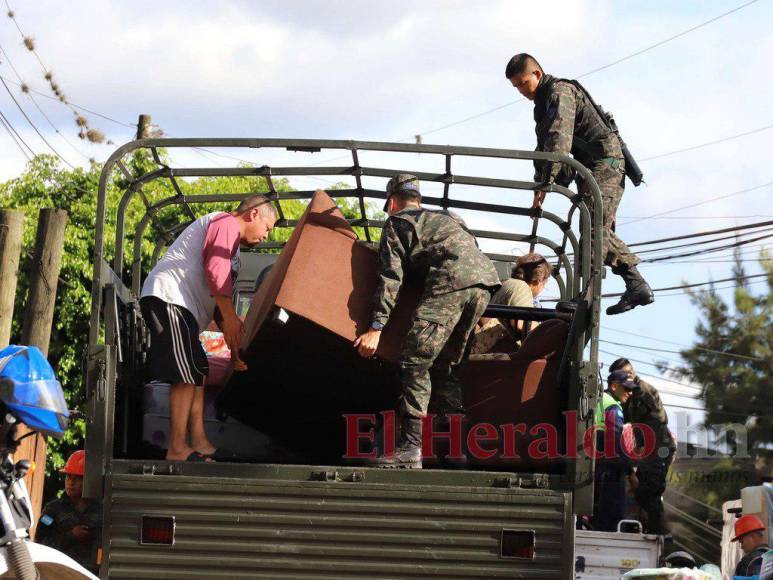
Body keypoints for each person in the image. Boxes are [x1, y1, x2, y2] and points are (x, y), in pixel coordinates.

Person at [354, 174, 501, 468]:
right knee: (446, 368)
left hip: (452, 281)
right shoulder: (445, 220)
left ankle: (410, 449)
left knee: (415, 360)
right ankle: (457, 450)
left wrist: (376, 328)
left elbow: (390, 278)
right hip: (486, 282)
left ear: (393, 202)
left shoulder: (398, 222)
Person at [504, 53, 653, 315]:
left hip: (605, 165)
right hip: (593, 167)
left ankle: (594, 295)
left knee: (594, 230)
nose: (520, 91)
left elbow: (558, 141)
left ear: (537, 74)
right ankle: (632, 285)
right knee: (594, 229)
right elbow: (545, 146)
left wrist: (546, 183)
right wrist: (541, 185)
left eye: (522, 83)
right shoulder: (543, 101)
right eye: (515, 86)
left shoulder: (560, 92)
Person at [140, 195, 277, 461]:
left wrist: (234, 343)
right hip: (169, 297)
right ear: (253, 214)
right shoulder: (225, 222)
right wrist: (230, 316)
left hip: (186, 308)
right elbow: (215, 270)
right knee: (188, 371)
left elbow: (219, 303)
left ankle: (200, 441)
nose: (266, 236)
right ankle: (177, 448)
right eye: (268, 227)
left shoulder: (234, 249)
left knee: (199, 369)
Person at [612, 357, 676, 535]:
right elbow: (626, 417)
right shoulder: (630, 392)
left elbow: (660, 420)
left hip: (658, 449)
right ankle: (653, 529)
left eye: (625, 374)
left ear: (631, 373)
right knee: (639, 489)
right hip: (650, 451)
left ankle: (660, 534)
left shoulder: (643, 391)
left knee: (647, 492)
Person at [37, 450, 103, 574]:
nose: (70, 483)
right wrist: (71, 536)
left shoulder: (102, 510)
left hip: (92, 574)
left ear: (89, 480)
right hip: (60, 573)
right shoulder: (52, 511)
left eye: (77, 478)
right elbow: (41, 543)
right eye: (68, 477)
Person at [471, 252, 551, 354]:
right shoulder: (521, 286)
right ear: (538, 281)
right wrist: (548, 329)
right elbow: (521, 324)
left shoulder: (504, 284)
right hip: (493, 353)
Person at [592, 369, 638, 532]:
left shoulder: (599, 399)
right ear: (613, 386)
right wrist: (630, 473)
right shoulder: (612, 406)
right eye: (626, 388)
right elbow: (616, 443)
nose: (630, 393)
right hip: (607, 470)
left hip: (594, 465)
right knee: (610, 520)